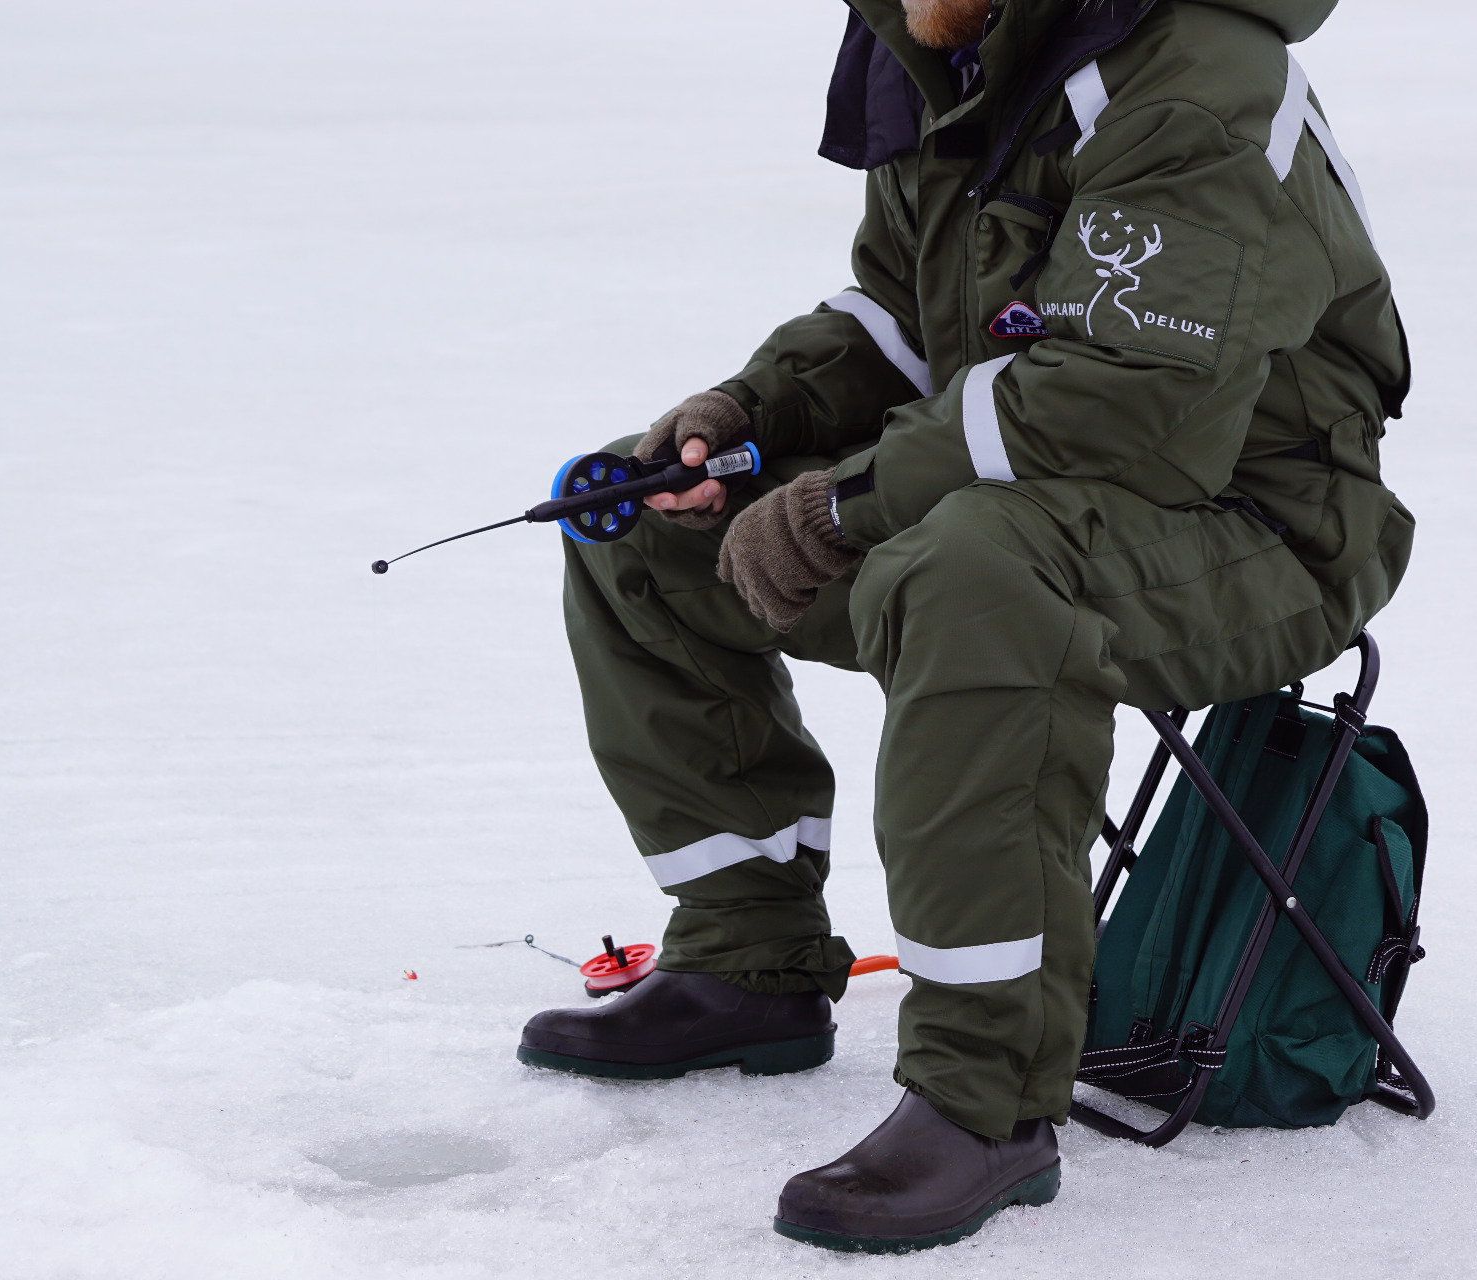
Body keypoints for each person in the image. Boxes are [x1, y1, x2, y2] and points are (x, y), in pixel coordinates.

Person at [519, 0, 1413, 1253]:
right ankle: (747, 959)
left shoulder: (1198, 78)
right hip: (1030, 487)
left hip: (1261, 520)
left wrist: (843, 503)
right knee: (636, 516)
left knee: (973, 577)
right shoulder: (950, 51)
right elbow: (899, 314)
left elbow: (1121, 395)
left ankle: (980, 1097)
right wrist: (746, 415)